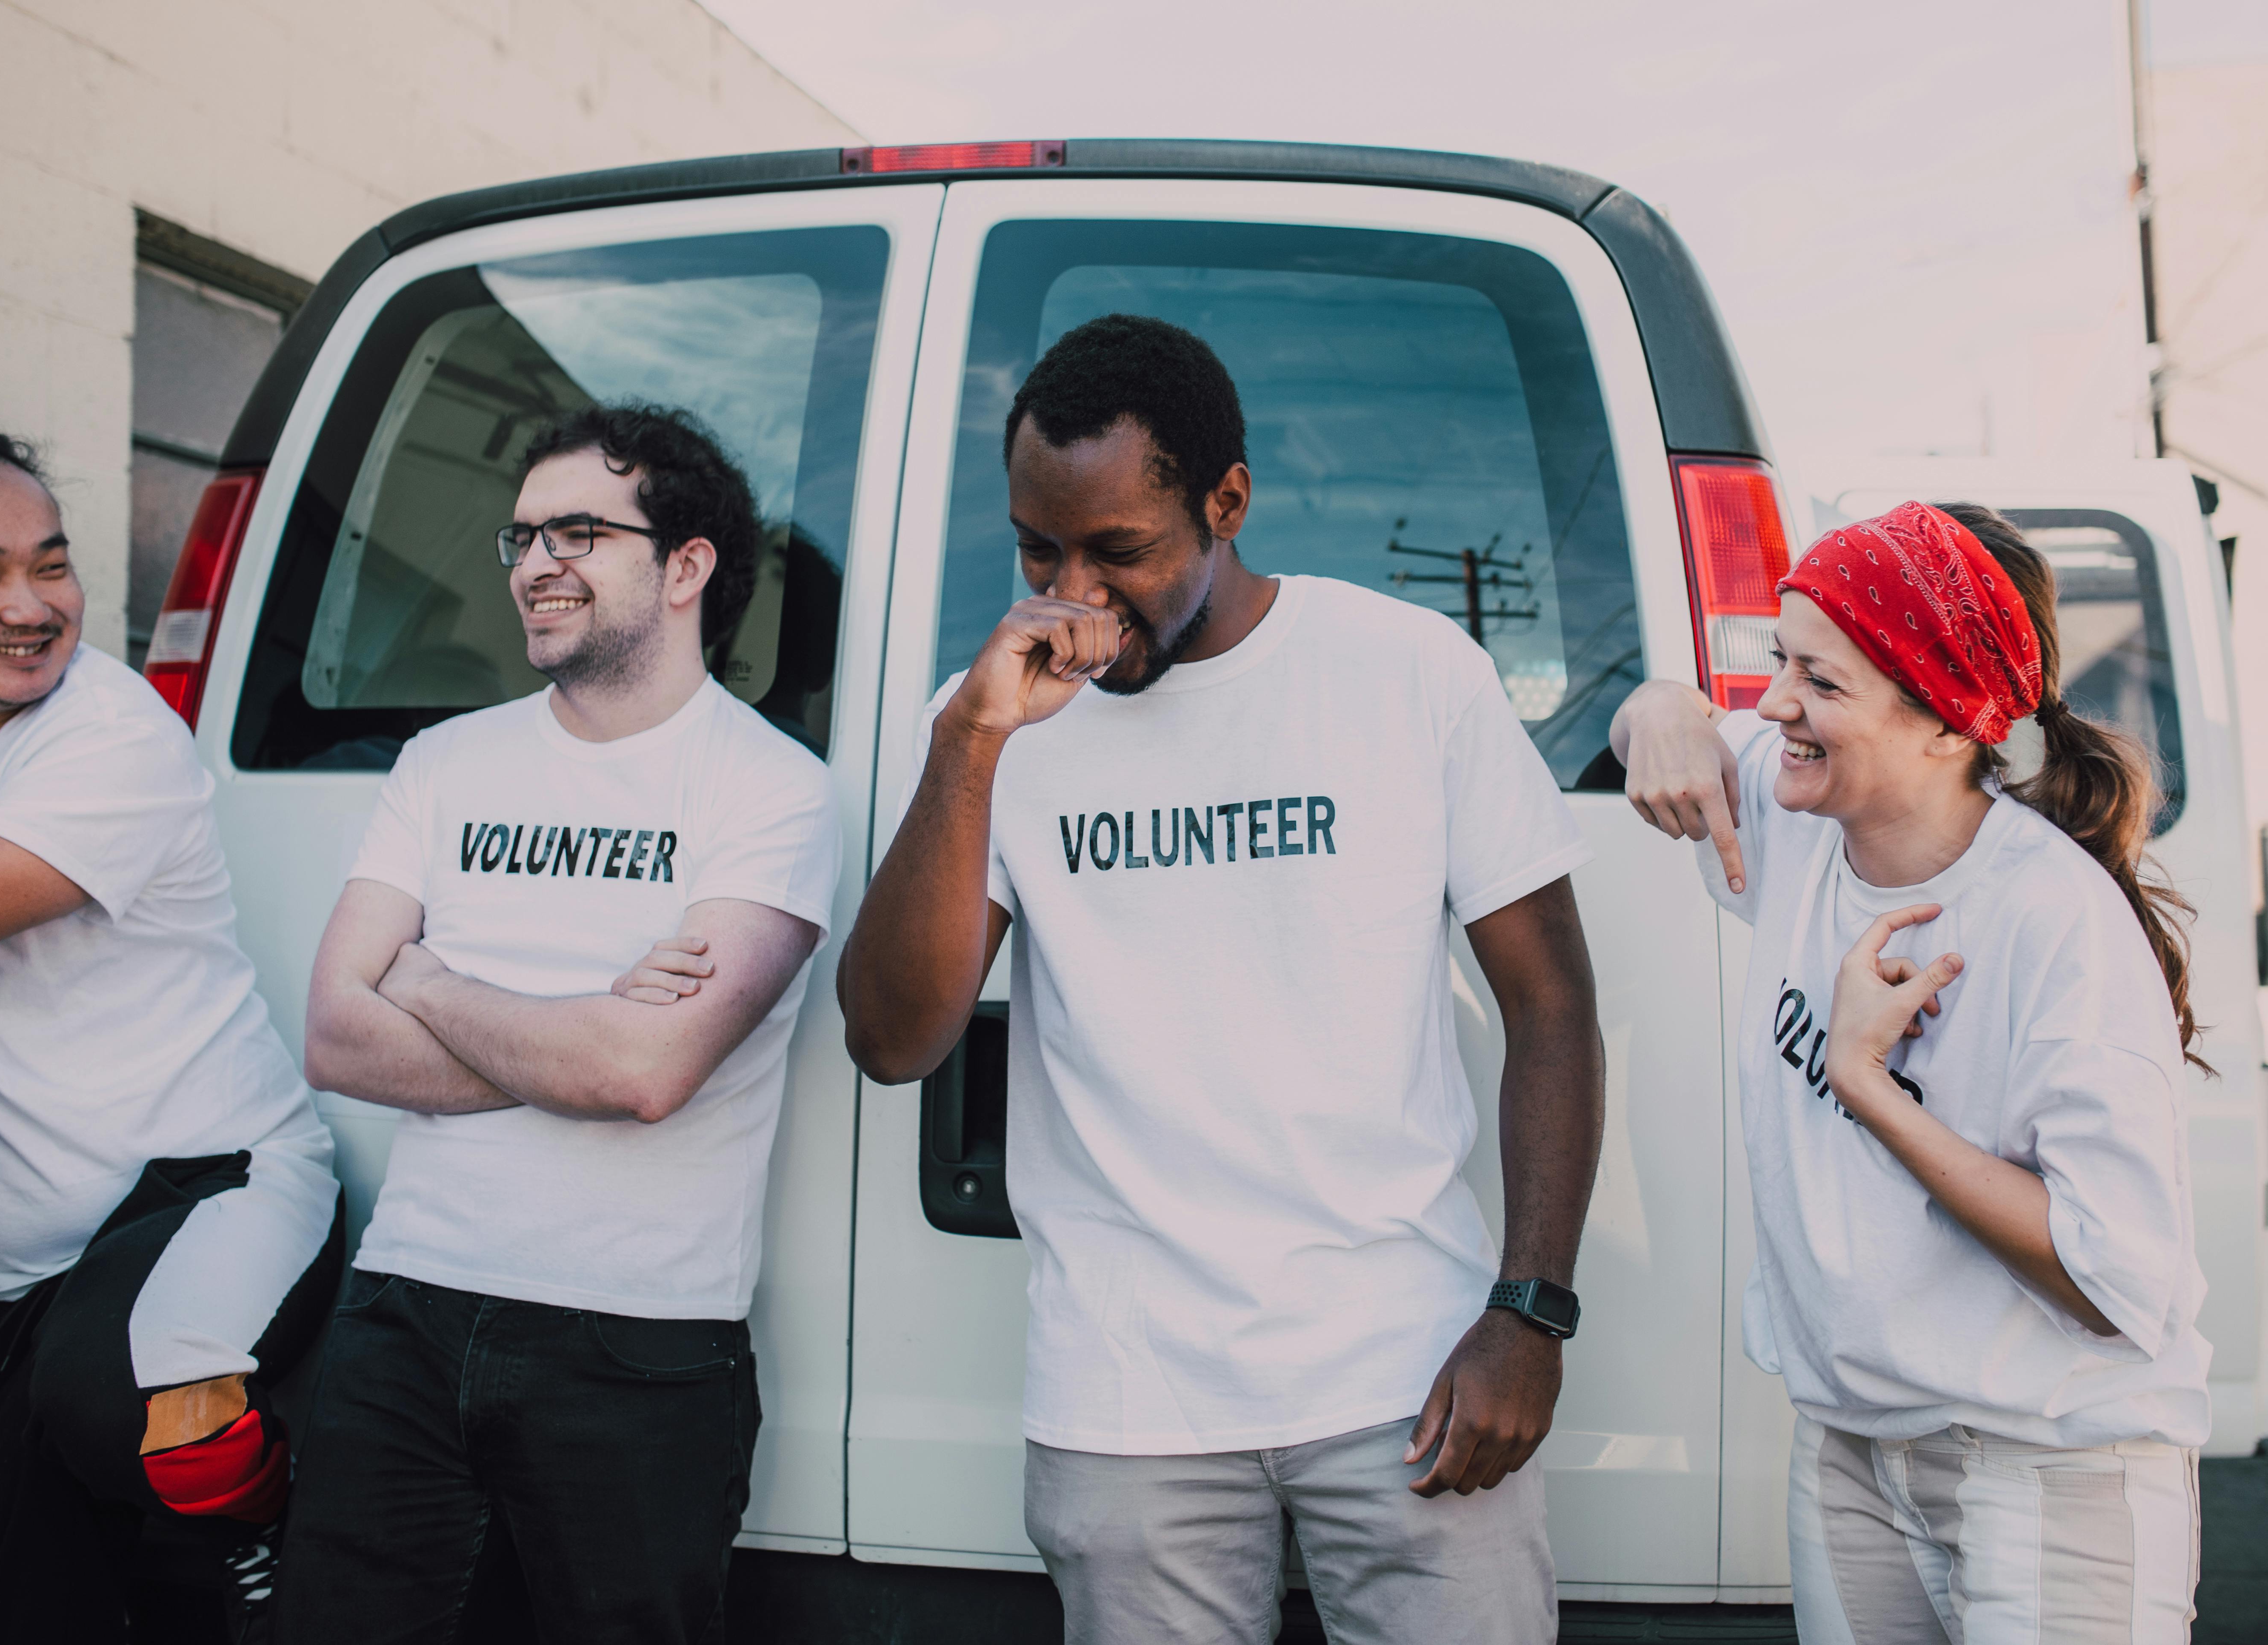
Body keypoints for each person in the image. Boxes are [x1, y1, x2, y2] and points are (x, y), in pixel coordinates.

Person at [835, 315, 1604, 1644]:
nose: (1072, 594)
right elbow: (894, 1039)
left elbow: (1553, 1005)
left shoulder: (1406, 674)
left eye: (1117, 550)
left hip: (1406, 1370)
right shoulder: (991, 723)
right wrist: (969, 741)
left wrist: (1529, 1311)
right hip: (1128, 1398)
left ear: (1227, 503)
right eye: (1037, 547)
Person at [277, 403, 840, 1643]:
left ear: (687, 565)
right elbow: (331, 1032)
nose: (537, 562)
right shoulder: (445, 763)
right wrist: (577, 1032)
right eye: (523, 536)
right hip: (404, 1313)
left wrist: (423, 981)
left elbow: (646, 1073)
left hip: (638, 1346)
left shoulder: (772, 790)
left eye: (579, 531)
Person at [1610, 500, 2210, 1642]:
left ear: (1945, 727)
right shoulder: (1796, 816)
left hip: (2050, 1463)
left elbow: (2110, 1276)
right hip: (1849, 1451)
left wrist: (1870, 1089)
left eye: (1821, 683)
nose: (1779, 702)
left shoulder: (2051, 923)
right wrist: (1662, 709)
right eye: (1779, 661)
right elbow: (1677, 720)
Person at [0, 420, 344, 1644]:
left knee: (133, 1400)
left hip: (212, 1180)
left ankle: (284, 1527)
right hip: (11, 1261)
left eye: (52, 563)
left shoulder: (110, 729)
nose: (35, 605)